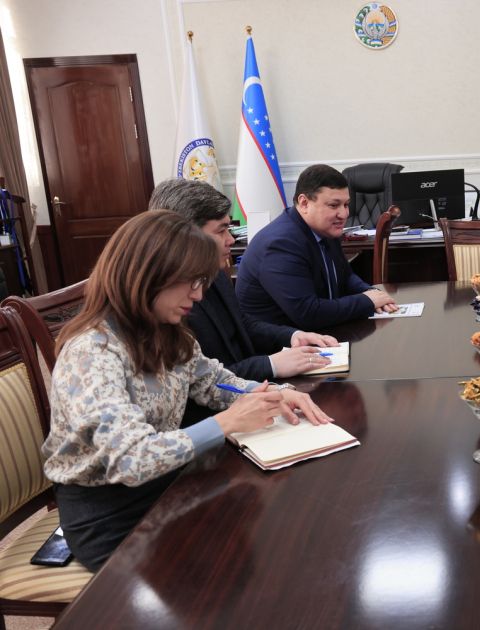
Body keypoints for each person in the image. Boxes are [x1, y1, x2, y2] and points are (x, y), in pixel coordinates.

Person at [42, 210, 333, 571]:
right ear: (147, 273)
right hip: (109, 513)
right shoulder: (92, 352)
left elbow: (214, 381)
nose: (198, 295)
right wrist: (226, 423)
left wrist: (271, 392)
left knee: (269, 521)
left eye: (202, 282)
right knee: (232, 558)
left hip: (166, 482)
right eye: (191, 281)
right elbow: (132, 460)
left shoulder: (166, 332)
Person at [149, 179, 336, 387]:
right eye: (221, 231)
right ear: (186, 235)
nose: (231, 240)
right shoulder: (165, 302)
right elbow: (201, 383)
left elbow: (242, 324)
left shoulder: (216, 272)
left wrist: (293, 336)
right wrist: (271, 364)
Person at [236, 164, 398, 330]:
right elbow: (308, 313)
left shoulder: (325, 229)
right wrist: (367, 301)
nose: (344, 214)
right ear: (304, 203)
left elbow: (346, 277)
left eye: (346, 204)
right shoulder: (280, 244)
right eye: (334, 205)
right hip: (281, 341)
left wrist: (371, 292)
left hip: (321, 332)